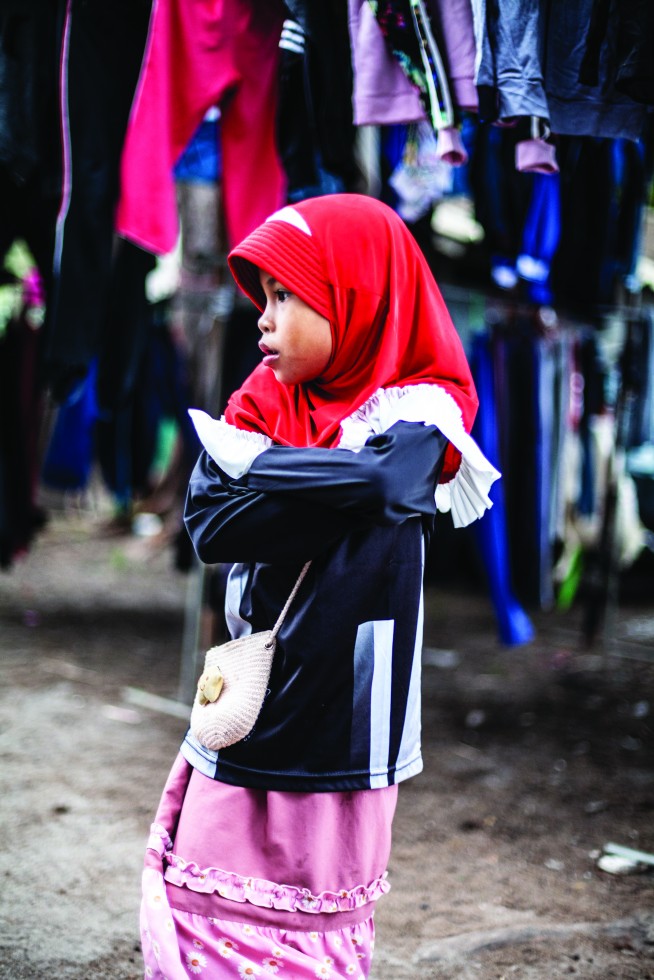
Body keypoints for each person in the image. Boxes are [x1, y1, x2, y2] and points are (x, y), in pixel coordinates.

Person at [140, 193, 500, 979]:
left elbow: (385, 486)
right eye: (262, 296)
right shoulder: (266, 396)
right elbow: (209, 522)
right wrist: (342, 489)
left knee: (312, 903)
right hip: (251, 685)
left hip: (352, 703)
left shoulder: (424, 404)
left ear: (356, 293)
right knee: (211, 887)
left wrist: (257, 471)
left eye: (285, 295)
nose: (263, 319)